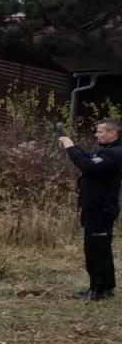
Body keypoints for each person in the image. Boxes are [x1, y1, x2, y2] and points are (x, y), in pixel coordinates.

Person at [59, 118, 122, 300]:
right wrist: (72, 145)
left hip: (101, 208)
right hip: (93, 206)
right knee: (101, 248)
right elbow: (87, 157)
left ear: (112, 133)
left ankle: (97, 290)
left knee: (96, 249)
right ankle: (106, 287)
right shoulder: (105, 150)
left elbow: (86, 165)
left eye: (100, 131)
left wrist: (70, 147)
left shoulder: (115, 153)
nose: (96, 134)